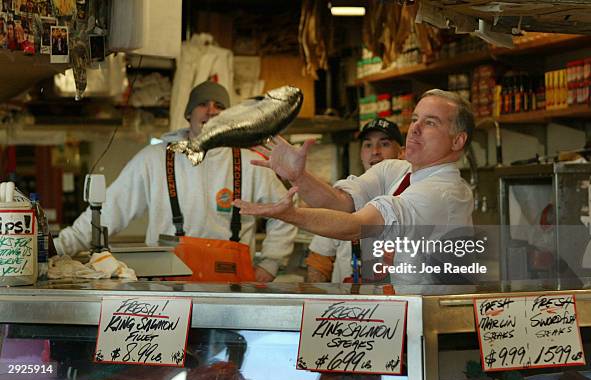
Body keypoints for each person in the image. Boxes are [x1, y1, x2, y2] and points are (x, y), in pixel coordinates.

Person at [54, 81, 297, 282]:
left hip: (233, 293)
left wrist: (269, 267)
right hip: (167, 293)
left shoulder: (250, 162)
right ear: (188, 113)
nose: (211, 110)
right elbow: (108, 211)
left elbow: (286, 214)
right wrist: (59, 247)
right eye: (203, 104)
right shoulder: (154, 159)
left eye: (220, 106)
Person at [235, 89, 474, 282]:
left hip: (426, 321)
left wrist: (290, 214)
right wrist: (299, 177)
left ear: (457, 140)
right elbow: (342, 204)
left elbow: (357, 226)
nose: (415, 129)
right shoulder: (397, 170)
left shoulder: (444, 191)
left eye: (430, 123)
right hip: (396, 311)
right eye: (414, 119)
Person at [306, 118, 405, 283]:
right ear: (361, 153)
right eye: (367, 145)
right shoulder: (346, 197)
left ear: (402, 153)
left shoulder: (412, 197)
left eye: (385, 144)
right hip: (347, 304)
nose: (375, 151)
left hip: (397, 302)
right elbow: (319, 261)